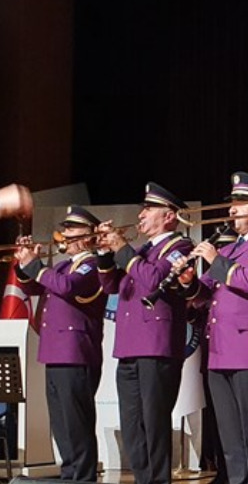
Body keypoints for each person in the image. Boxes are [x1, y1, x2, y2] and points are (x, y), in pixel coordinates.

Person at [177, 172, 248, 484]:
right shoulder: (228, 250)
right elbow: (205, 296)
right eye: (233, 203)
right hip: (221, 351)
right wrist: (188, 284)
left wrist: (216, 262)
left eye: (241, 202)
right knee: (231, 442)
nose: (233, 209)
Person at [97, 183, 196, 484]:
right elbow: (111, 287)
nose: (140, 215)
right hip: (128, 346)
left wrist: (122, 250)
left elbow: (154, 279)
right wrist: (104, 251)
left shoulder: (180, 247)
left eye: (148, 209)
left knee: (154, 423)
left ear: (168, 216)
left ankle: (158, 480)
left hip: (156, 345)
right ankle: (143, 479)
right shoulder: (141, 250)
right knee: (132, 425)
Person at [13, 205, 106, 481]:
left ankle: (83, 477)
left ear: (88, 236)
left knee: (76, 422)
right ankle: (70, 474)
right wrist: (24, 264)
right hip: (55, 352)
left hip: (76, 353)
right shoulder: (64, 265)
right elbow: (33, 287)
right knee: (62, 424)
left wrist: (37, 266)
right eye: (64, 228)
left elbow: (66, 287)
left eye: (71, 229)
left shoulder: (92, 264)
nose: (63, 234)